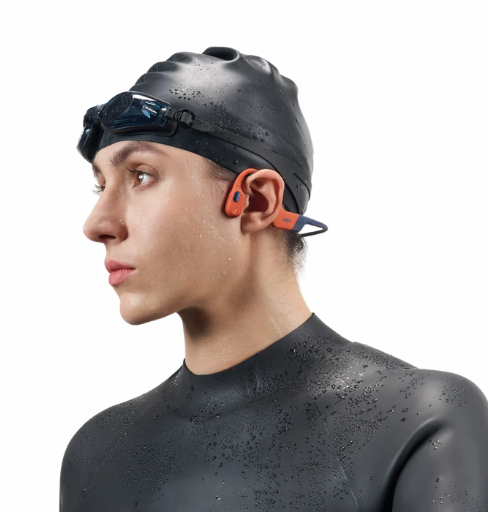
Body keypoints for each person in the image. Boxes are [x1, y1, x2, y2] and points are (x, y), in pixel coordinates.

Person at [60, 47, 488, 512]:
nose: (96, 224)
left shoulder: (419, 424)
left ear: (257, 201)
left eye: (141, 175)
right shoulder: (97, 455)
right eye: (101, 185)